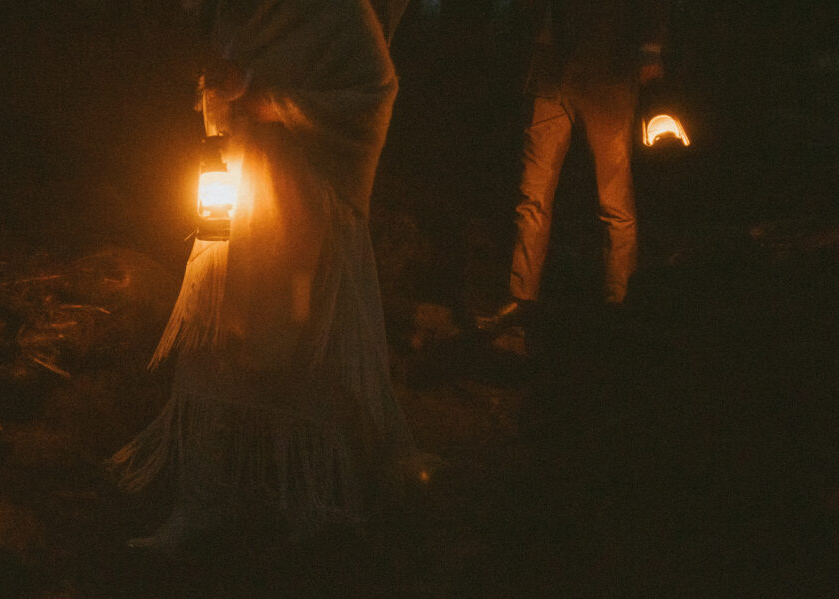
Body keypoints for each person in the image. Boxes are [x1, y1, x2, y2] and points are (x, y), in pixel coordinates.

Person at [109, 0, 414, 551]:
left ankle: (312, 499)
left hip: (306, 204)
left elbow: (375, 93)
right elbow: (222, 74)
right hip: (239, 194)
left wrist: (274, 104)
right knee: (217, 344)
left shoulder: (340, 13)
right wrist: (221, 88)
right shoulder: (237, 10)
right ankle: (203, 501)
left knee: (304, 352)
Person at [476, 0, 670, 333]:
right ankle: (522, 300)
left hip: (606, 75)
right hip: (554, 75)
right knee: (533, 195)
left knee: (614, 200)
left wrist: (650, 50)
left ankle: (620, 305)